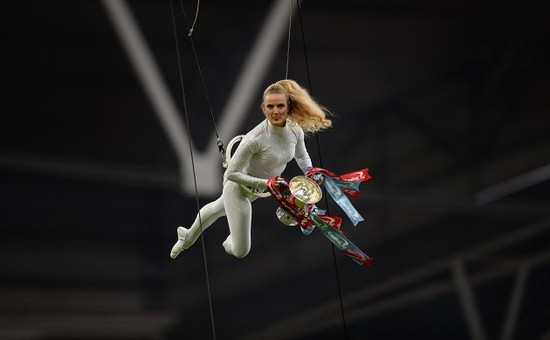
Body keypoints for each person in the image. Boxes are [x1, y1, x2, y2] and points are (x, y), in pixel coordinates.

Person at [170, 79, 332, 259]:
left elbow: (301, 155)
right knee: (241, 251)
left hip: (259, 190)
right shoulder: (254, 139)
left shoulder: (295, 130)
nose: (275, 111)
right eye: (270, 107)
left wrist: (309, 171)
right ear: (264, 108)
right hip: (238, 190)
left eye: (280, 106)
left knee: (218, 208)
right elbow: (230, 174)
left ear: (289, 106)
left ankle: (187, 237)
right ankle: (227, 242)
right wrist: (267, 183)